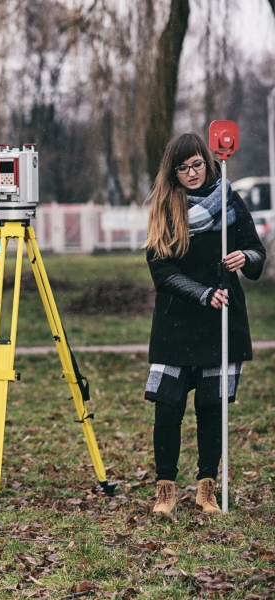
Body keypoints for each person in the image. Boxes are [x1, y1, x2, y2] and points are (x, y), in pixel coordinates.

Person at [143, 132, 266, 515]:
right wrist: (200, 292)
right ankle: (165, 489)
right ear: (173, 172)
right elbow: (161, 271)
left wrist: (244, 257)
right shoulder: (165, 206)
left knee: (212, 408)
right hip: (176, 321)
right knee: (168, 407)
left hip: (221, 320)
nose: (191, 173)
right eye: (182, 168)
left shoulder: (229, 199)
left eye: (197, 164)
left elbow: (258, 252)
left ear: (208, 162)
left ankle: (206, 488)